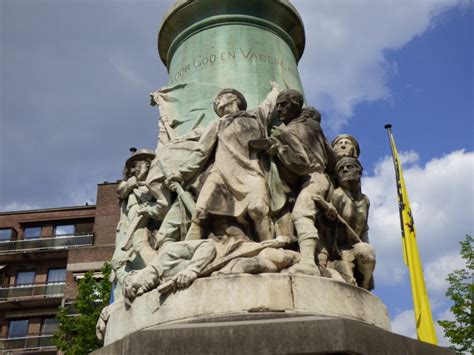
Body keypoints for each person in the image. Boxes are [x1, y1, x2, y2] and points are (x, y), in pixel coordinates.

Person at [166, 83, 280, 242]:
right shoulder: (217, 124)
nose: (216, 102)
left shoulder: (256, 115)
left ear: (233, 98)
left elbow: (269, 103)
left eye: (220, 98)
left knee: (259, 209)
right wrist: (181, 172)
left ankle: (269, 245)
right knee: (199, 212)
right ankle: (189, 252)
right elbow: (201, 151)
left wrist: (276, 89)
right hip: (220, 174)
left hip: (250, 172)